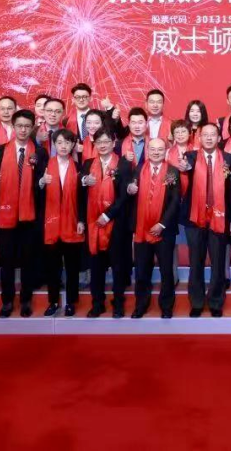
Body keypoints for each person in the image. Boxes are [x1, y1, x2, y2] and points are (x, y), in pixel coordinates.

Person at [0, 109, 46, 318]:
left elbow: (43, 187)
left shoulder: (40, 153)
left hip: (30, 216)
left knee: (28, 260)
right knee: (7, 261)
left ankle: (26, 300)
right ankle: (7, 301)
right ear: (13, 127)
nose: (23, 130)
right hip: (5, 215)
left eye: (27, 126)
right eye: (19, 126)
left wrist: (41, 183)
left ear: (32, 128)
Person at [182, 123, 231, 317]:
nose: (209, 138)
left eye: (213, 135)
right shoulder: (190, 157)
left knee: (218, 262)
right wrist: (184, 167)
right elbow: (185, 169)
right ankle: (196, 302)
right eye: (205, 135)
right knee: (196, 262)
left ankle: (216, 302)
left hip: (219, 217)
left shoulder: (228, 159)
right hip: (195, 219)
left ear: (219, 138)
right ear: (199, 138)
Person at [83, 127, 133, 318]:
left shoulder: (123, 165)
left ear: (113, 143)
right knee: (96, 266)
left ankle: (118, 303)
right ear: (94, 144)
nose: (102, 145)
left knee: (117, 266)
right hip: (93, 222)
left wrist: (108, 215)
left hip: (116, 223)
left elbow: (124, 196)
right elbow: (80, 192)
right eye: (99, 142)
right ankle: (97, 303)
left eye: (106, 142)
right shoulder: (88, 164)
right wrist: (83, 180)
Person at [34, 129, 85, 317]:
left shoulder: (79, 167)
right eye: (60, 142)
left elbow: (83, 198)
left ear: (73, 145)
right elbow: (34, 193)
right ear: (54, 145)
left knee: (72, 267)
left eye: (68, 142)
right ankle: (53, 301)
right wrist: (41, 182)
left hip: (72, 222)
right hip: (51, 223)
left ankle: (71, 302)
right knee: (52, 267)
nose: (64, 146)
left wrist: (81, 219)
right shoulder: (45, 165)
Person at [131, 138, 182, 319]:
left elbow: (175, 201)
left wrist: (162, 224)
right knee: (142, 270)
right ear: (147, 150)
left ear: (165, 151)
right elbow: (131, 197)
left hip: (164, 230)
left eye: (160, 149)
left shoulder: (172, 171)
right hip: (142, 229)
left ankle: (166, 306)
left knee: (166, 271)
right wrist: (130, 190)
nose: (156, 152)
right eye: (153, 149)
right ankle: (141, 305)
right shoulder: (138, 169)